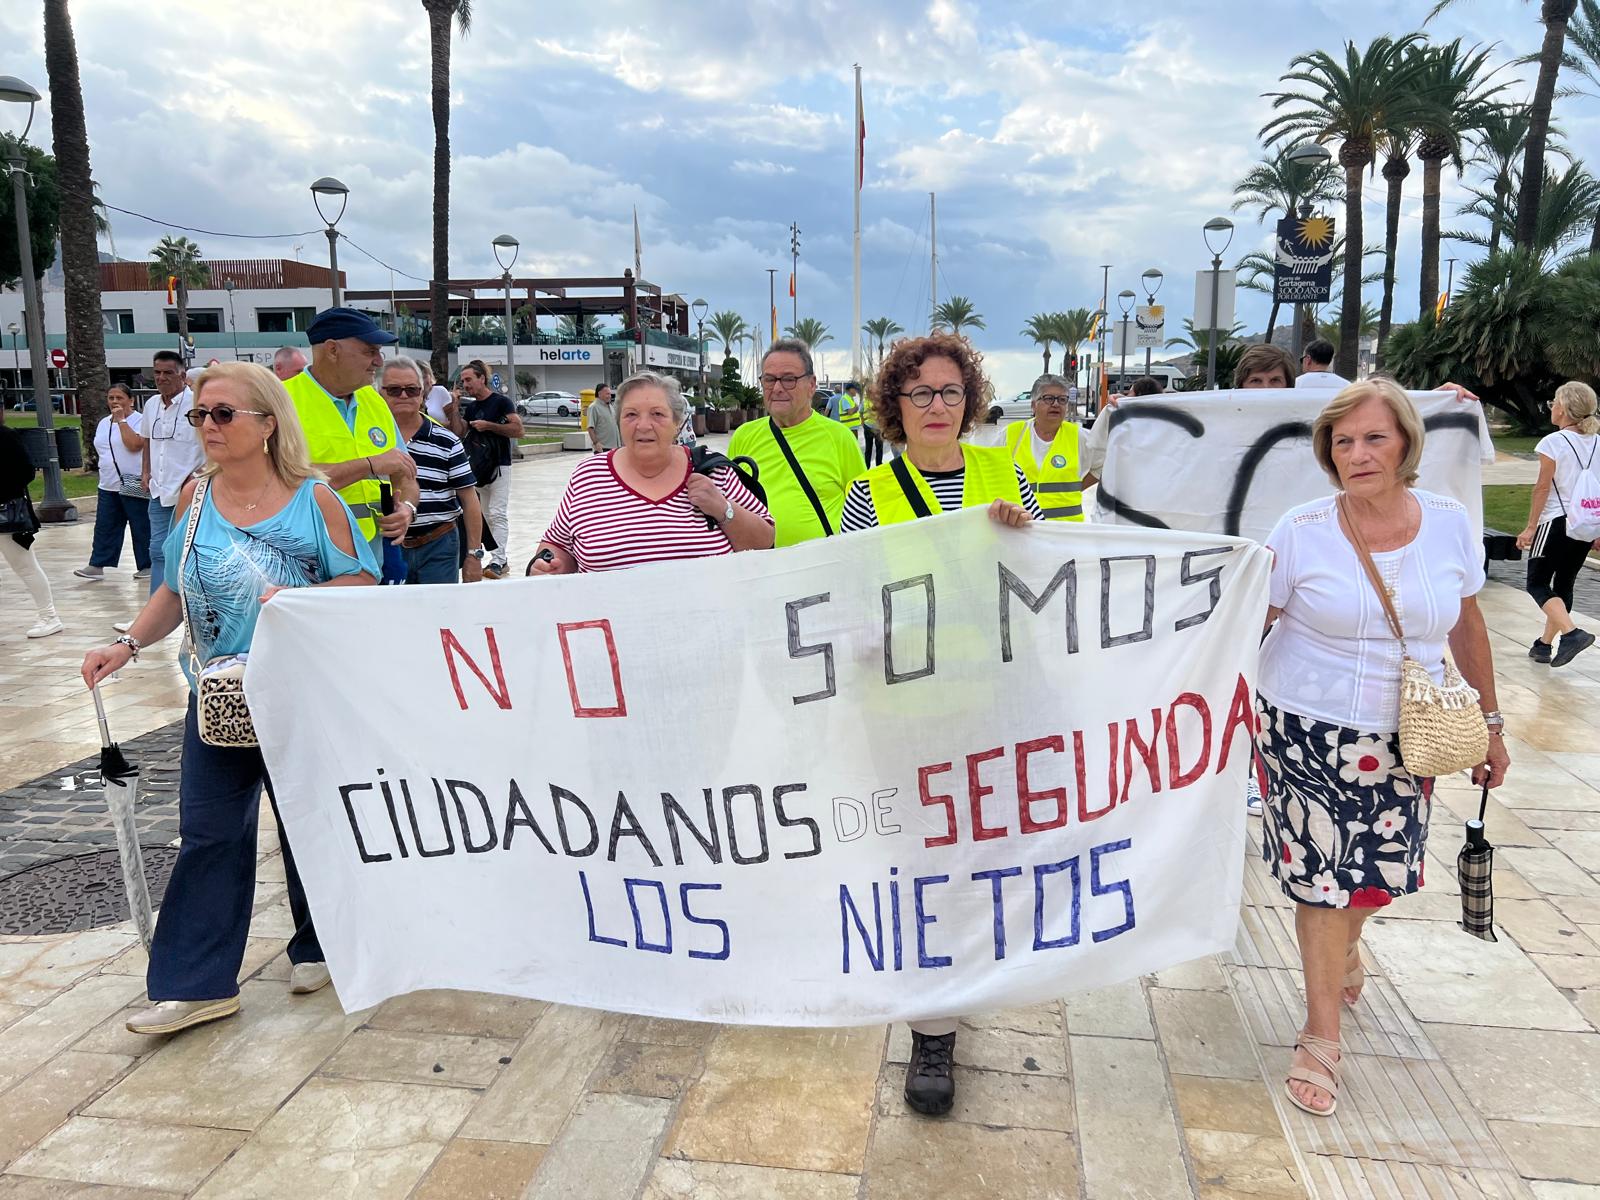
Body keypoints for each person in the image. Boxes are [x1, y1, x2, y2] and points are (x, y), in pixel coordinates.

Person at [80, 363, 379, 1036]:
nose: (207, 426)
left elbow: (362, 581)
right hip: (217, 698)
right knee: (210, 833)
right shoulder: (193, 498)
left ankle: (319, 944)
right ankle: (197, 984)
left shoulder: (314, 499)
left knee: (308, 824)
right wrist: (125, 644)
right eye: (200, 415)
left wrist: (299, 599)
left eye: (222, 414)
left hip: (304, 695)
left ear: (268, 423)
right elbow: (172, 593)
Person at [1255, 378, 1508, 1118]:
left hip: (1409, 732)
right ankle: (1319, 1035)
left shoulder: (1451, 522)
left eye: (1374, 438)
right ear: (1327, 455)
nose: (1358, 454)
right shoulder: (1300, 529)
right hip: (1306, 727)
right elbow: (1246, 624)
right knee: (1322, 884)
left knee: (1376, 880)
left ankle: (1346, 951)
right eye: (1343, 442)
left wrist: (1492, 722)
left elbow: (1466, 625)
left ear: (1406, 443)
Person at [838, 334, 1043, 1118]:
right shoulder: (871, 491)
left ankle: (955, 987)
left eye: (949, 391)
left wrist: (1020, 532)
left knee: (978, 853)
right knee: (919, 856)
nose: (935, 406)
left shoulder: (1003, 475)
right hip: (905, 709)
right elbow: (854, 587)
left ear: (971, 399)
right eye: (919, 393)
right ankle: (931, 1024)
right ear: (896, 405)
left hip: (990, 702)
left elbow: (1048, 570)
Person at [530, 371, 773, 575]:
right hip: (612, 629)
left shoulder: (711, 471)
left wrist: (723, 509)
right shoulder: (589, 475)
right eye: (631, 415)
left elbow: (766, 542)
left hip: (707, 629)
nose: (643, 425)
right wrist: (548, 565)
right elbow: (556, 544)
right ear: (619, 421)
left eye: (657, 414)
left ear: (677, 422)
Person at [280, 307, 419, 559]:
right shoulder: (281, 401)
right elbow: (284, 482)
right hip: (309, 560)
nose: (378, 361)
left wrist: (407, 509)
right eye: (370, 351)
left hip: (373, 557)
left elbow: (405, 474)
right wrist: (370, 464)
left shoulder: (373, 400)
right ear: (332, 350)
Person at [729, 339, 866, 546]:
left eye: (789, 379)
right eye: (769, 379)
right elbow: (730, 504)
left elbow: (864, 509)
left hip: (822, 568)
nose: (777, 388)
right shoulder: (743, 436)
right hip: (760, 568)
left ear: (811, 385)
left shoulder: (839, 437)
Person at [379, 356, 486, 584]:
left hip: (439, 545)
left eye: (412, 389)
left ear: (423, 394)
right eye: (394, 390)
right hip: (384, 547)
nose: (404, 396)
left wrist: (473, 556)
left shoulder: (446, 441)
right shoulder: (368, 440)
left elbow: (469, 500)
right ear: (380, 393)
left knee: (440, 615)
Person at [1517, 381, 1599, 666]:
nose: (1552, 406)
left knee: (1537, 583)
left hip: (1554, 521)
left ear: (1563, 409)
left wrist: (1530, 527)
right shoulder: (1598, 442)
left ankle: (1572, 633)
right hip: (1585, 523)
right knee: (1564, 583)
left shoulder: (1553, 442)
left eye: (1555, 401)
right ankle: (1543, 645)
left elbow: (1542, 488)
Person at [141, 350, 206, 595]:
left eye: (168, 373)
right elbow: (146, 440)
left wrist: (199, 475)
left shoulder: (197, 405)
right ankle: (154, 607)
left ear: (182, 375)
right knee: (158, 549)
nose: (161, 378)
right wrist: (145, 472)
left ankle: (192, 605)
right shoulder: (150, 405)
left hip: (189, 491)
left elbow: (211, 441)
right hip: (159, 489)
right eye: (157, 373)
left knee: (190, 549)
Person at [450, 359, 522, 578]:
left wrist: (489, 426)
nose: (466, 384)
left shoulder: (501, 402)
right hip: (478, 468)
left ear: (482, 378)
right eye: (463, 380)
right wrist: (454, 408)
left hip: (499, 465)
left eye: (469, 379)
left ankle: (499, 561)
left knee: (497, 513)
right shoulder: (471, 407)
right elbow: (459, 432)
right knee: (481, 514)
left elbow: (518, 429)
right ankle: (495, 557)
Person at [75, 383, 151, 581]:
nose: (115, 402)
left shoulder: (139, 421)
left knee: (140, 524)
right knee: (105, 525)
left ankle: (147, 564)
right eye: (111, 398)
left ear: (131, 400)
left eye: (119, 398)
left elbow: (135, 445)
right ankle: (98, 564)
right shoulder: (103, 423)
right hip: (108, 484)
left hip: (133, 482)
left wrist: (121, 421)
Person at [0, 412, 61, 637]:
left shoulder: (7, 437)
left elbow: (25, 472)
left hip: (8, 513)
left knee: (25, 565)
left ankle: (49, 616)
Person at [1004, 373, 1085, 521]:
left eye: (1062, 400)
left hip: (1068, 533)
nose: (1055, 404)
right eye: (1048, 398)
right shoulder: (1012, 434)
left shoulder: (1079, 436)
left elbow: (1099, 466)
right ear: (1033, 404)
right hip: (1024, 530)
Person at [828, 381, 866, 449]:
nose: (856, 392)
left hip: (852, 427)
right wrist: (856, 407)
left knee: (852, 447)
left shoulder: (850, 399)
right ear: (851, 390)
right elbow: (850, 412)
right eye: (855, 390)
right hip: (849, 428)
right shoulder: (845, 399)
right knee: (851, 447)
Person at [587, 382, 621, 454]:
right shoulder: (594, 407)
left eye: (610, 394)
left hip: (614, 447)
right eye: (607, 394)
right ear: (599, 394)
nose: (609, 396)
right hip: (602, 448)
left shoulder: (610, 406)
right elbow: (590, 428)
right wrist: (596, 443)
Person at [421, 361, 453, 425]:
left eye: (424, 377)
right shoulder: (411, 396)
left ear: (430, 376)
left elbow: (452, 422)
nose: (423, 381)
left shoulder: (440, 391)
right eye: (419, 378)